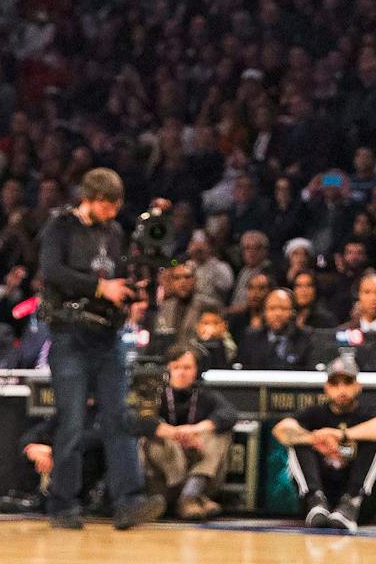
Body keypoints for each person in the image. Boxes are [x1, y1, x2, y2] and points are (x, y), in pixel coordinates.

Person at [37, 168, 162, 531]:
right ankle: (63, 504)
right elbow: (52, 271)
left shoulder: (114, 232)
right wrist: (99, 288)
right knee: (72, 421)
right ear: (90, 199)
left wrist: (129, 289)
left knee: (119, 419)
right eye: (108, 207)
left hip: (107, 337)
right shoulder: (60, 227)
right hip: (70, 335)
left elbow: (116, 273)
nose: (112, 214)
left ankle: (129, 501)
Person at [271, 356, 376, 532]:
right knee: (297, 440)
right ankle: (315, 500)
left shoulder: (368, 412)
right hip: (323, 494)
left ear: (357, 386)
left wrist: (340, 435)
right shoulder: (315, 413)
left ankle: (352, 502)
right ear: (326, 388)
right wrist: (315, 439)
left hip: (361, 500)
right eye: (335, 384)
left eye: (347, 382)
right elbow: (281, 430)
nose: (341, 390)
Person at [138, 341, 241, 521]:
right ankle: (191, 497)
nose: (181, 372)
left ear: (196, 370)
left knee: (218, 433)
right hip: (163, 478)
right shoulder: (155, 392)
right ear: (168, 368)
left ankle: (190, 495)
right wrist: (175, 434)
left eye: (187, 367)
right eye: (176, 367)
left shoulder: (205, 395)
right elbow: (140, 419)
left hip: (198, 465)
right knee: (158, 437)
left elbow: (229, 414)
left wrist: (196, 430)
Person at [239, 288, 315, 371]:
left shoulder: (306, 337)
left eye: (283, 308)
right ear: (264, 312)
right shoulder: (251, 338)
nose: (278, 314)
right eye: (272, 308)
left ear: (293, 312)